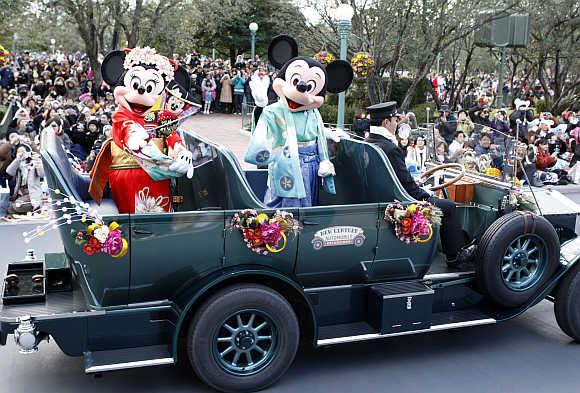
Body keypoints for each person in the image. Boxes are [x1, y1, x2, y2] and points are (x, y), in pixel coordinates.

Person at [365, 101, 472, 266]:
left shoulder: (369, 141)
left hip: (382, 195)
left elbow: (397, 176)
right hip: (399, 201)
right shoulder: (389, 147)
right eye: (394, 120)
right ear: (386, 122)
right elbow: (408, 188)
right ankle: (454, 256)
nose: (396, 124)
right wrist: (427, 193)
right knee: (449, 207)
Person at [5, 143, 44, 215]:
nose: (20, 153)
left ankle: (36, 206)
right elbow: (9, 171)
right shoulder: (18, 164)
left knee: (16, 207)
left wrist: (38, 162)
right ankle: (33, 208)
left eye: (22, 151)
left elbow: (42, 174)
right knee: (10, 209)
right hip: (21, 194)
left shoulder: (33, 162)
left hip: (32, 193)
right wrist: (17, 159)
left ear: (27, 152)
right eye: (18, 152)